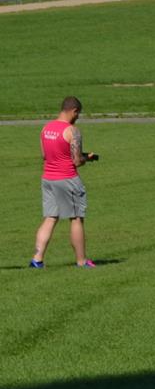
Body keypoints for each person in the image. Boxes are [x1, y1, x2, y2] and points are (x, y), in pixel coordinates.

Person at [32, 96, 96, 269]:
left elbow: (45, 155)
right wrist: (87, 158)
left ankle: (37, 259)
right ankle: (81, 261)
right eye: (78, 114)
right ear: (74, 111)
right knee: (76, 218)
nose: (78, 117)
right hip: (67, 179)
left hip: (48, 178)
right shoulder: (72, 131)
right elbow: (76, 161)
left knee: (50, 217)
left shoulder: (46, 128)